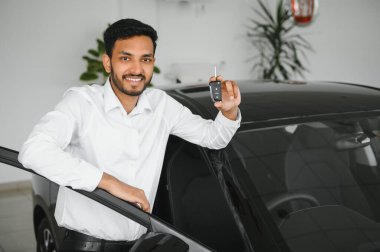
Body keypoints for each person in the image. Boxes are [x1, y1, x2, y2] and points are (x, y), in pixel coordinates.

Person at [19, 18, 241, 251]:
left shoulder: (162, 105)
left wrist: (229, 111)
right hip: (86, 246)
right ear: (108, 63)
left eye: (145, 59)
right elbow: (33, 152)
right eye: (125, 58)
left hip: (138, 245)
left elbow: (213, 138)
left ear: (153, 63)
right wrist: (110, 183)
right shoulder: (81, 102)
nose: (136, 69)